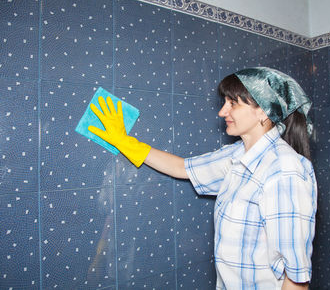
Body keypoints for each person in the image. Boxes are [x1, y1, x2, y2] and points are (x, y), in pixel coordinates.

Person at [88, 67, 317, 290]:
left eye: (233, 103)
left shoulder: (285, 170)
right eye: (224, 102)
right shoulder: (237, 155)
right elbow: (181, 167)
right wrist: (124, 142)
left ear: (263, 112)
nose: (222, 112)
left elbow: (296, 278)